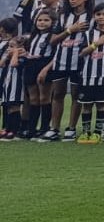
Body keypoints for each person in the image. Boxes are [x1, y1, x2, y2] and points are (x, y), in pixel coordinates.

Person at [37, 0, 94, 142]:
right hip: (61, 61)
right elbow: (53, 41)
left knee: (76, 95)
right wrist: (70, 30)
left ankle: (71, 128)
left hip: (80, 62)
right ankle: (54, 128)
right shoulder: (62, 16)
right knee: (58, 94)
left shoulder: (91, 18)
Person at [76, 2, 104, 144]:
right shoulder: (87, 34)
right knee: (86, 105)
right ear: (94, 16)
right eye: (98, 14)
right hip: (88, 75)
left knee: (102, 104)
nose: (101, 17)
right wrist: (97, 43)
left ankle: (98, 133)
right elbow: (81, 53)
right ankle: (85, 132)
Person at [23, 9, 56, 138]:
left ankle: (44, 128)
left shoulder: (53, 36)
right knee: (33, 98)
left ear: (53, 22)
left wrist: (46, 69)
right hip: (31, 64)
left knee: (44, 97)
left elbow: (56, 55)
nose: (42, 23)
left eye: (46, 20)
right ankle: (31, 129)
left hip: (44, 64)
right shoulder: (32, 36)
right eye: (40, 20)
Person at [0, 20, 25, 140]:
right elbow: (1, 63)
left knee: (14, 107)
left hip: (16, 85)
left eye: (12, 46)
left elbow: (15, 64)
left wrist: (15, 53)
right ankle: (7, 128)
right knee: (8, 106)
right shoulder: (7, 53)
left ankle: (15, 130)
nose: (9, 49)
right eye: (9, 46)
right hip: (7, 83)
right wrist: (7, 55)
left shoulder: (21, 56)